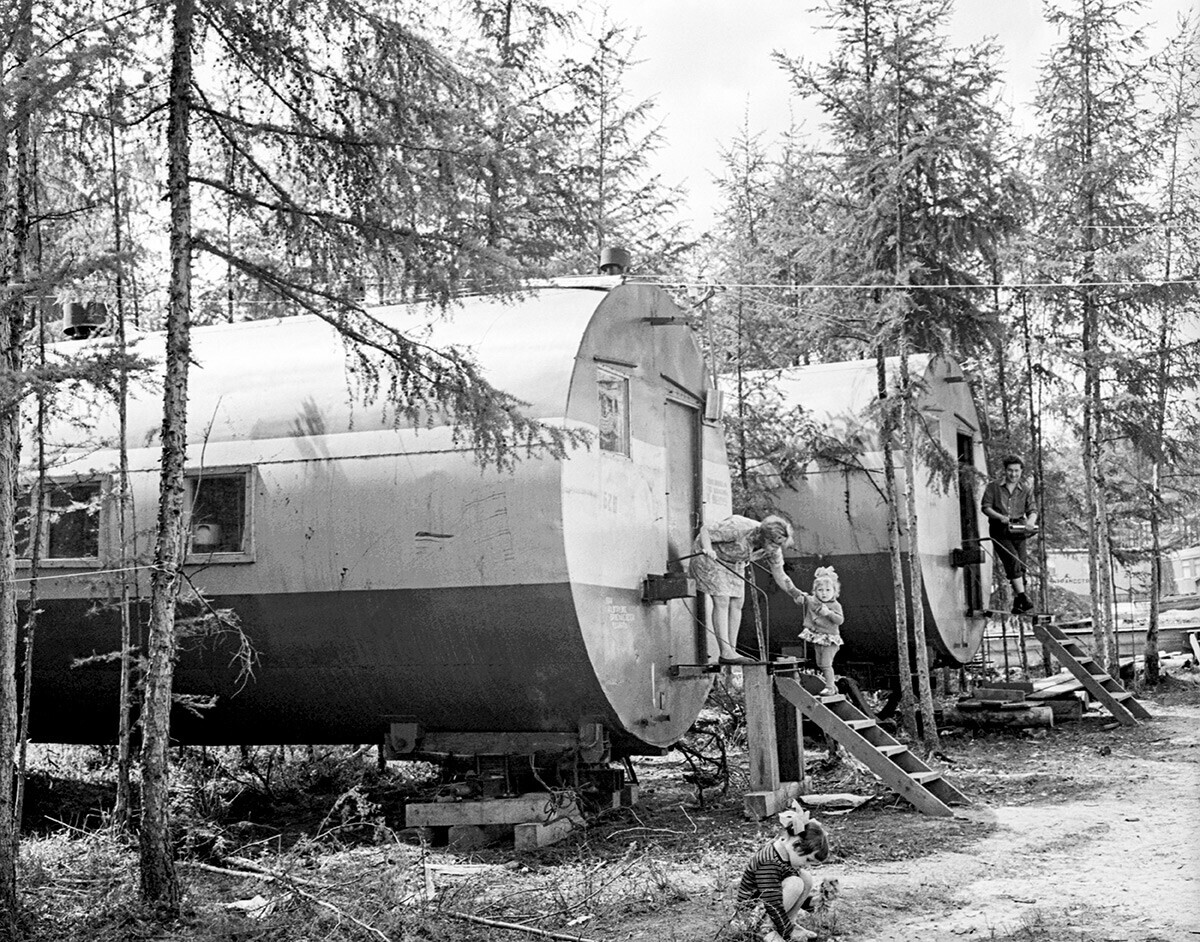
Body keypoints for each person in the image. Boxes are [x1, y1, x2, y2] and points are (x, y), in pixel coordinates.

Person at [691, 514, 804, 665]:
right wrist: (708, 549)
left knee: (738, 602)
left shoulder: (773, 550)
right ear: (764, 536)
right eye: (773, 544)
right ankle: (725, 651)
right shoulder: (740, 527)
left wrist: (795, 592)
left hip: (735, 562)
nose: (775, 549)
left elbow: (780, 574)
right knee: (722, 599)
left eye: (778, 545)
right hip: (711, 556)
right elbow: (705, 531)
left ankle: (731, 651)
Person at [735, 803, 830, 942]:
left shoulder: (786, 856)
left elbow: (787, 895)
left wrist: (816, 901)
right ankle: (765, 930)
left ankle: (787, 924)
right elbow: (772, 900)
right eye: (807, 859)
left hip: (767, 908)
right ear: (796, 844)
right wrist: (788, 932)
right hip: (748, 916)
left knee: (805, 878)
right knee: (795, 882)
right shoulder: (769, 861)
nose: (806, 864)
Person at [981, 454, 1039, 614]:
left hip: (1018, 530)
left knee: (1021, 564)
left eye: (1016, 471)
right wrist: (1000, 517)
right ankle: (1023, 597)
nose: (1013, 474)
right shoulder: (993, 487)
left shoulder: (1025, 490)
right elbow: (985, 507)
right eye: (1010, 471)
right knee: (1012, 560)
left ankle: (1018, 603)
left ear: (1021, 472)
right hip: (1000, 530)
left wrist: (1031, 521)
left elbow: (1032, 509)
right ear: (1005, 471)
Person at [796, 566, 845, 695]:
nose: (824, 593)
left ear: (834, 591)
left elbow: (840, 620)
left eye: (828, 590)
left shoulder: (835, 605)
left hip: (830, 639)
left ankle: (830, 687)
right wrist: (800, 597)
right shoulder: (814, 602)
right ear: (815, 591)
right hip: (818, 637)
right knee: (819, 663)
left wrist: (828, 613)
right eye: (820, 590)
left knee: (826, 664)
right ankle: (833, 687)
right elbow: (803, 598)